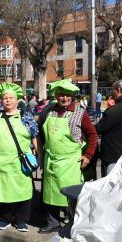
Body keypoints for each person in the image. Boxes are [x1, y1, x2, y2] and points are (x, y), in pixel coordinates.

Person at [0, 83, 38, 232]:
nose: (8, 100)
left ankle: (21, 219)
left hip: (20, 163)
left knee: (22, 192)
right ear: (1, 101)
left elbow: (35, 137)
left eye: (11, 98)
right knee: (2, 191)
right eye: (5, 98)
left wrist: (39, 155)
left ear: (17, 100)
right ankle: (5, 218)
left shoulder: (25, 117)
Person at [37, 79, 97, 233]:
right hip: (51, 159)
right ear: (56, 95)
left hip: (71, 161)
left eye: (67, 95)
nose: (64, 98)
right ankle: (53, 222)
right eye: (61, 95)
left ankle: (74, 223)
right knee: (50, 193)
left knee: (71, 194)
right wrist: (41, 155)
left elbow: (92, 135)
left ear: (72, 96)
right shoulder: (49, 111)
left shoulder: (80, 112)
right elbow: (41, 135)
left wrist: (88, 156)